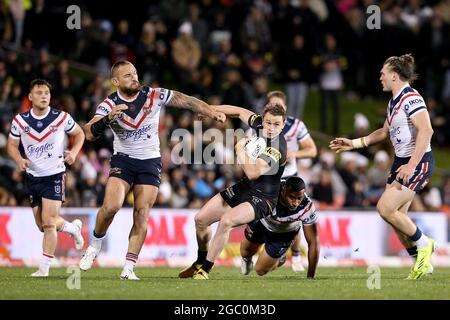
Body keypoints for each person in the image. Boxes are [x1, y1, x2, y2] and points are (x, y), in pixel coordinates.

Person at [79, 60, 225, 280]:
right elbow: (89, 132)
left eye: (135, 73)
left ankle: (128, 268)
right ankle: (95, 244)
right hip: (123, 160)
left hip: (149, 162)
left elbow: (186, 100)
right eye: (128, 75)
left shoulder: (153, 95)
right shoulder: (109, 104)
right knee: (111, 206)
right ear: (116, 81)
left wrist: (210, 111)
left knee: (141, 214)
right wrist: (107, 120)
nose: (134, 77)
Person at [330, 54, 436, 280]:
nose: (380, 77)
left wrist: (411, 165)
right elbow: (383, 133)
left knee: (385, 208)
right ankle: (421, 261)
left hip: (417, 161)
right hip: (401, 162)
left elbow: (426, 131)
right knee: (397, 219)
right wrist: (354, 143)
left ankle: (425, 243)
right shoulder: (393, 102)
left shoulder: (410, 98)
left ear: (395, 75)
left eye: (383, 73)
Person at [179, 103, 287, 280]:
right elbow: (239, 111)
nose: (270, 128)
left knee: (226, 221)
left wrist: (240, 150)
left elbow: (252, 173)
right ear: (263, 120)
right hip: (245, 188)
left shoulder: (277, 149)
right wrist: (209, 110)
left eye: (276, 124)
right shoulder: (259, 124)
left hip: (264, 198)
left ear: (283, 126)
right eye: (268, 123)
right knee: (200, 220)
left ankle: (205, 269)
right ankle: (199, 261)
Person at [7, 79, 85, 277]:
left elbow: (79, 133)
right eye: (39, 93)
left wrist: (74, 152)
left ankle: (44, 268)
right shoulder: (20, 121)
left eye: (47, 93)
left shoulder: (61, 118)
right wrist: (18, 159)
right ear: (30, 97)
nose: (44, 96)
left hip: (54, 175)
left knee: (49, 223)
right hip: (33, 177)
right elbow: (12, 145)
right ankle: (72, 228)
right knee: (42, 225)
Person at [266, 90, 317, 272]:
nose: (276, 109)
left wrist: (295, 153)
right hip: (266, 177)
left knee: (293, 220)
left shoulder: (296, 125)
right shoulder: (258, 125)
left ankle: (295, 255)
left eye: (279, 106)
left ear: (285, 107)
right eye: (273, 106)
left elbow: (312, 150)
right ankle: (270, 252)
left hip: (288, 177)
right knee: (261, 215)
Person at [240, 176, 319, 278]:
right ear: (283, 191)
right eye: (292, 197)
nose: (296, 202)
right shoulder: (270, 189)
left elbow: (313, 242)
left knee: (260, 271)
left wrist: (310, 276)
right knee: (245, 252)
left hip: (284, 234)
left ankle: (279, 257)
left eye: (299, 198)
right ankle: (247, 259)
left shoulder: (307, 207)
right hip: (262, 222)